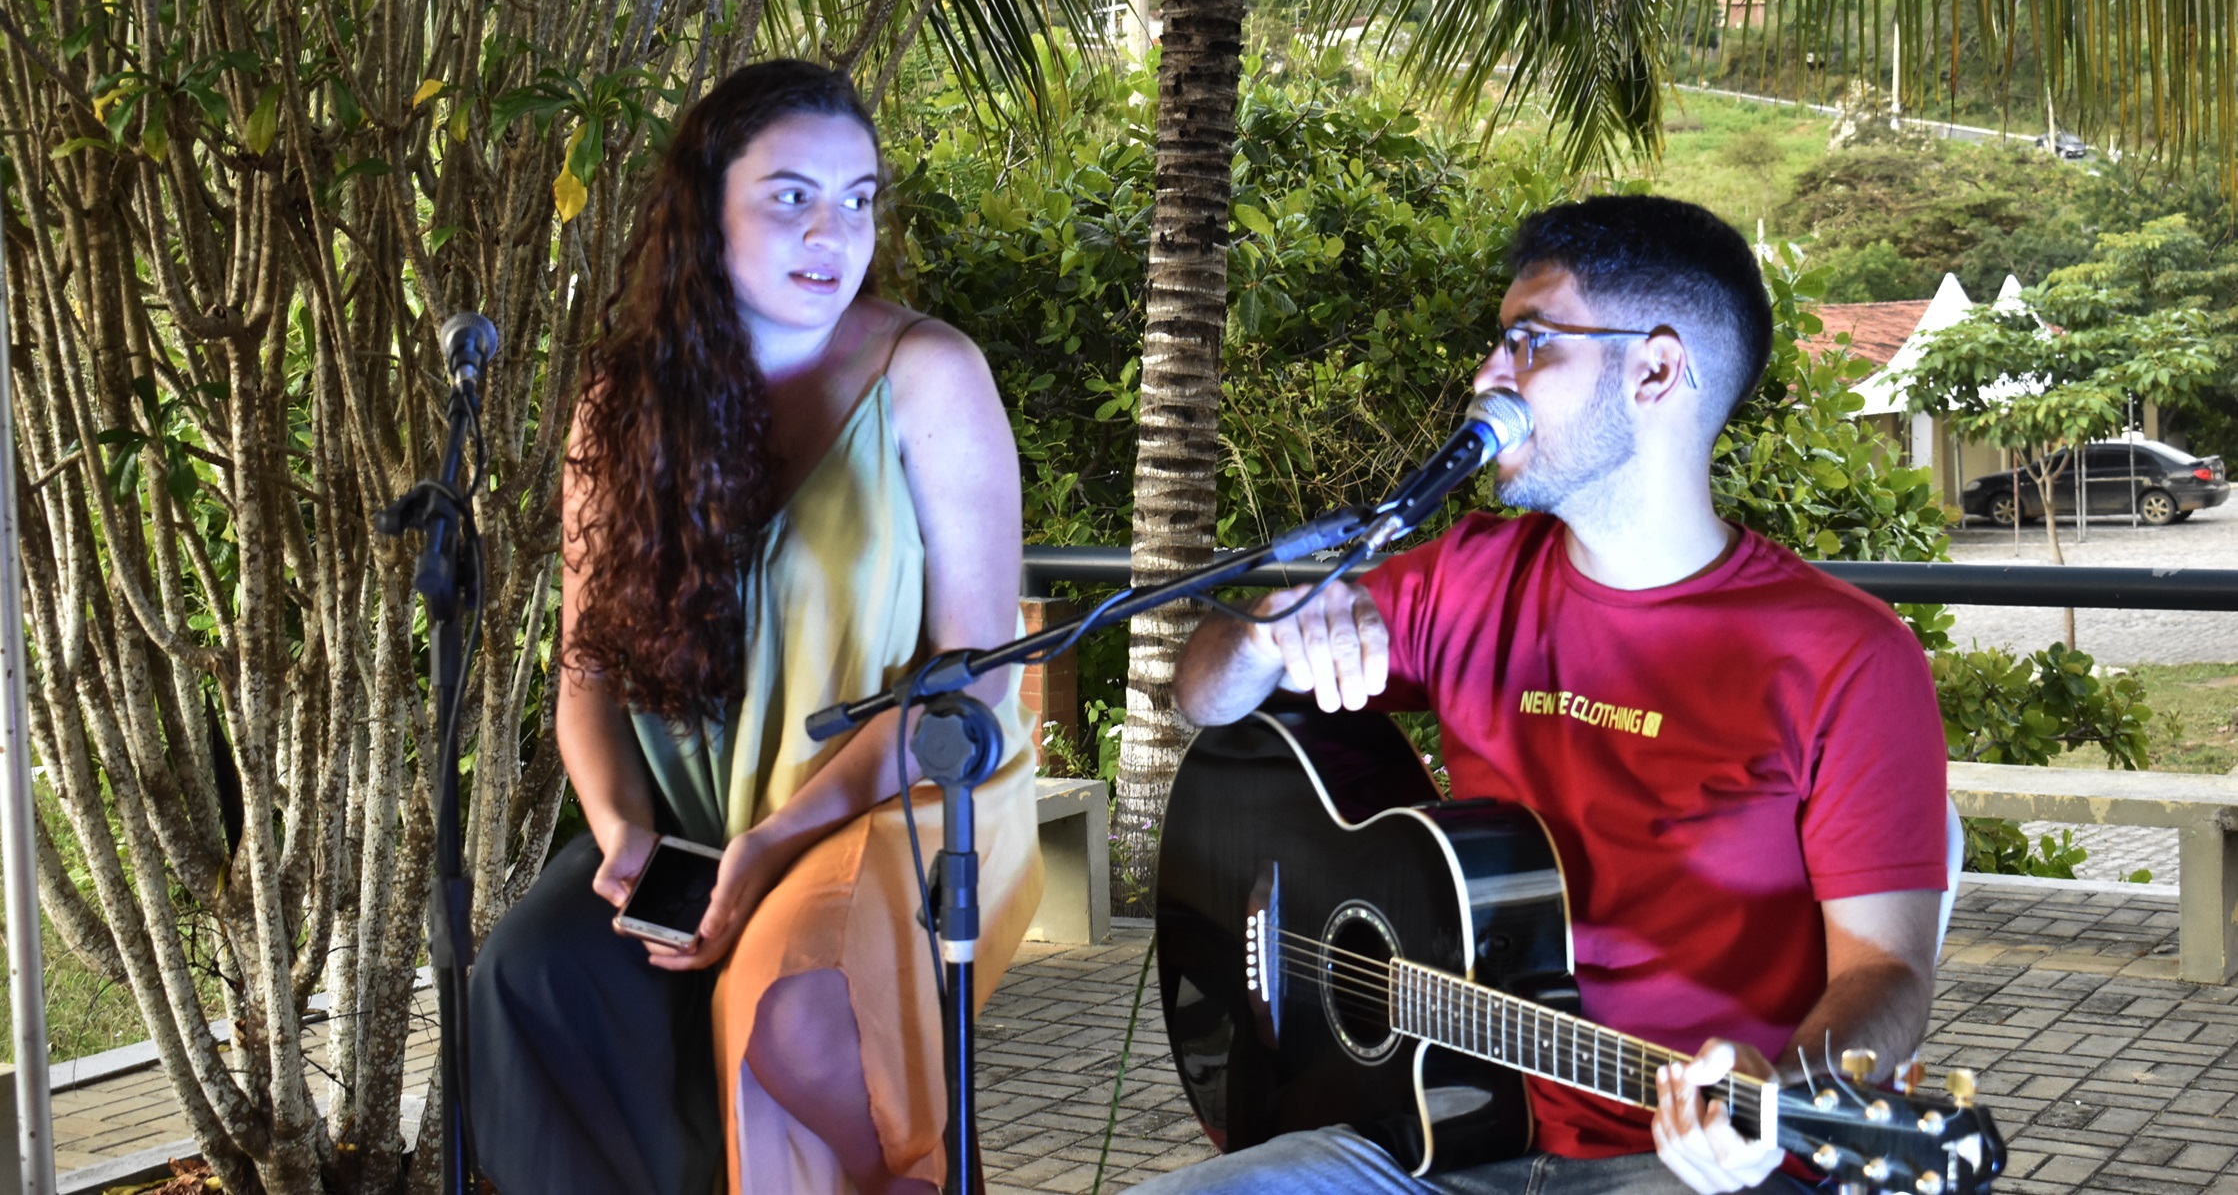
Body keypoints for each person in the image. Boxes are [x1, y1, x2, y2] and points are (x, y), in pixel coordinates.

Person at [1135, 195, 1950, 1195]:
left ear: (1655, 370)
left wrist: (1776, 1093)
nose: (1488, 374)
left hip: (1692, 1163)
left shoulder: (1846, 655)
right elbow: (1204, 696)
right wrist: (1269, 631)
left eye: (1529, 340)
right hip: (1435, 1127)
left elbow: (1887, 973)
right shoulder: (1469, 575)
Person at [470, 60, 1043, 1195]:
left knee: (789, 1001)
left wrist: (774, 844)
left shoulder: (932, 376)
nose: (835, 232)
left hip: (897, 800)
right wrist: (623, 835)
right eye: (792, 196)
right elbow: (585, 671)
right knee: (534, 971)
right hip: (697, 818)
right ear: (705, 210)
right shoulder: (623, 402)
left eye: (859, 198)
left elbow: (973, 678)